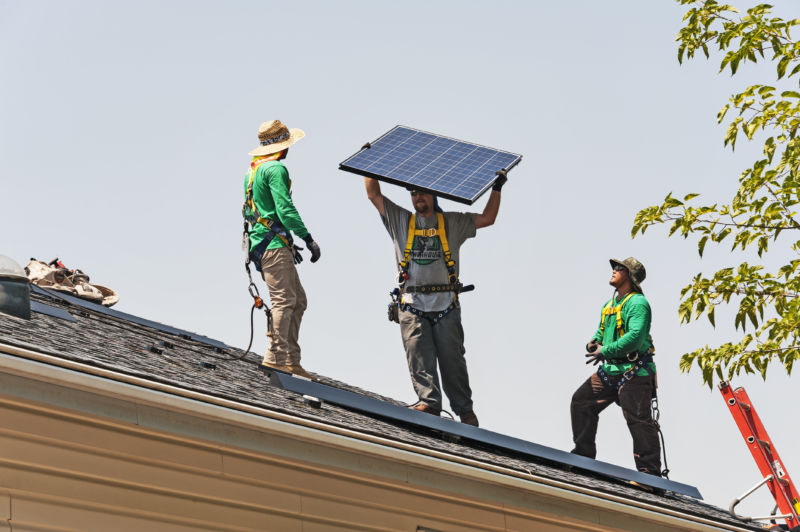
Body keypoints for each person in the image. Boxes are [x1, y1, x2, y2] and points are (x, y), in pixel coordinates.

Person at [364, 172, 508, 427]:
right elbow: (374, 194)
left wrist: (496, 188)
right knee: (419, 357)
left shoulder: (452, 222)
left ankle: (465, 413)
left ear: (433, 194)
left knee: (454, 363)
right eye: (413, 193)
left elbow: (488, 219)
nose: (418, 197)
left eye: (422, 192)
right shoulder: (401, 220)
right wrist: (367, 167)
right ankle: (429, 403)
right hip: (412, 304)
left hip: (445, 305)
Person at [243, 120, 321, 379]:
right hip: (273, 244)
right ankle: (276, 356)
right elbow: (285, 209)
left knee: (298, 300)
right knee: (285, 301)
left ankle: (290, 359)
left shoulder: (253, 171)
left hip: (264, 242)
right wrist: (307, 238)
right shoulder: (276, 169)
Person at [570, 257, 662, 476]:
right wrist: (594, 343)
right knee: (582, 401)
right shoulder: (610, 305)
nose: (614, 270)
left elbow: (635, 337)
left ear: (629, 276)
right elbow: (601, 332)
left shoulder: (638, 303)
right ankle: (583, 457)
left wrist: (606, 351)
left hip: (634, 372)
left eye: (619, 268)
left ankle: (650, 474)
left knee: (638, 420)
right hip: (611, 370)